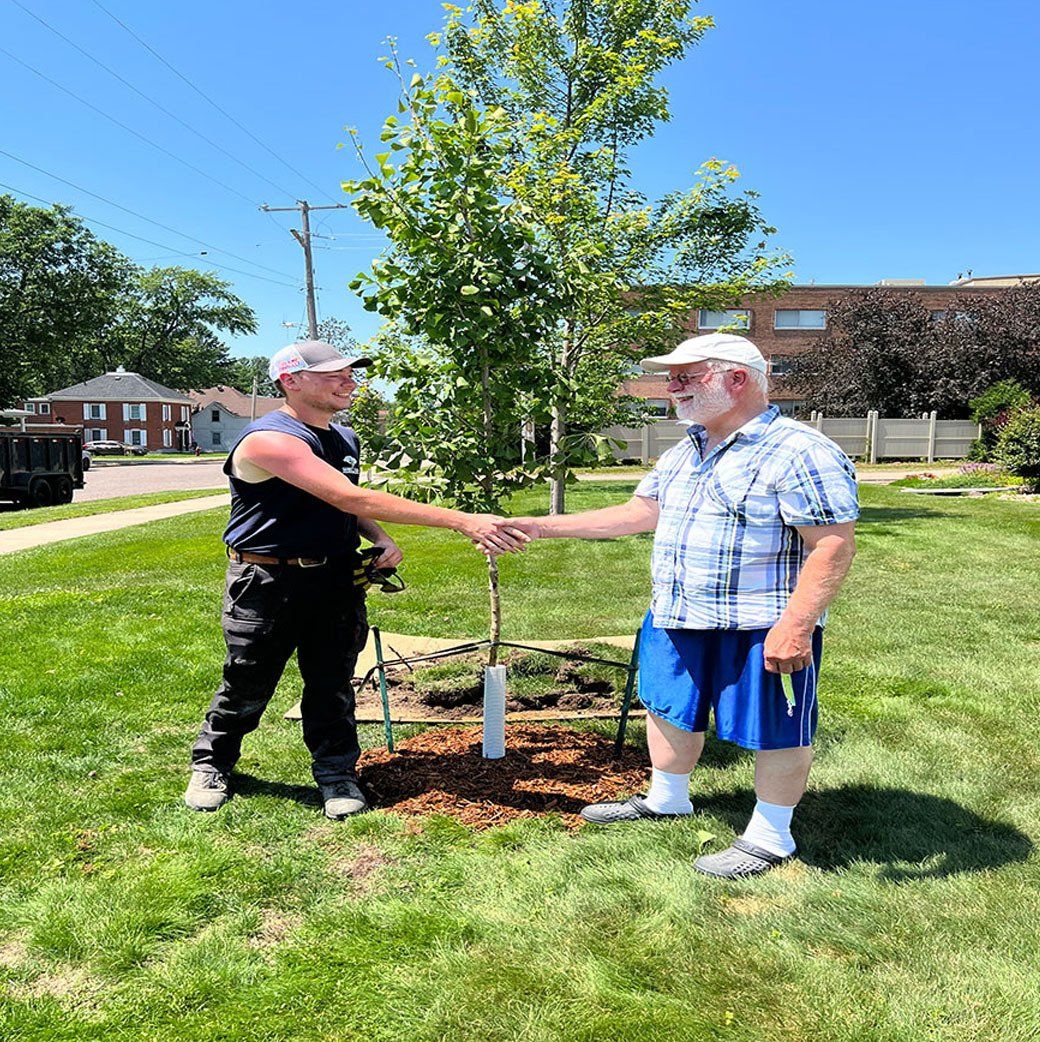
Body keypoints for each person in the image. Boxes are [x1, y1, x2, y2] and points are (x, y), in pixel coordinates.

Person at [496, 332, 858, 878]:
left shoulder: (801, 450)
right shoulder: (686, 448)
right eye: (673, 378)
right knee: (667, 707)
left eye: (686, 377)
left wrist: (797, 626)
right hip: (678, 612)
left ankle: (771, 834)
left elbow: (831, 544)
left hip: (761, 622)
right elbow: (638, 513)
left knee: (776, 725)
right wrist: (536, 528)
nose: (672, 388)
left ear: (736, 379)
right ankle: (668, 798)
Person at [185, 340, 526, 819]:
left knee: (333, 683)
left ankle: (337, 774)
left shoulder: (344, 438)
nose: (350, 381)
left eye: (351, 373)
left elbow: (345, 502)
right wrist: (463, 520)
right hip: (266, 582)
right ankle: (212, 764)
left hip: (337, 580)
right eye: (334, 375)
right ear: (291, 380)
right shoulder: (269, 439)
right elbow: (350, 498)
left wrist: (380, 537)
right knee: (248, 681)